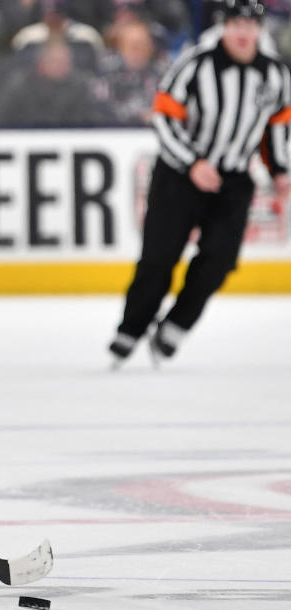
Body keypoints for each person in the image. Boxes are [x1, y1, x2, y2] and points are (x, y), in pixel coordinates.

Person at [109, 0, 291, 365]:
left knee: (220, 260)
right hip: (179, 176)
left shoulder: (274, 74)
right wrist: (193, 163)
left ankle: (173, 328)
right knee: (159, 259)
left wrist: (280, 171)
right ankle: (131, 329)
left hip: (234, 179)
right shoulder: (196, 63)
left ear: (260, 29)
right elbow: (163, 117)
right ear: (223, 26)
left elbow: (275, 127)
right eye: (236, 24)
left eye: (251, 25)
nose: (243, 33)